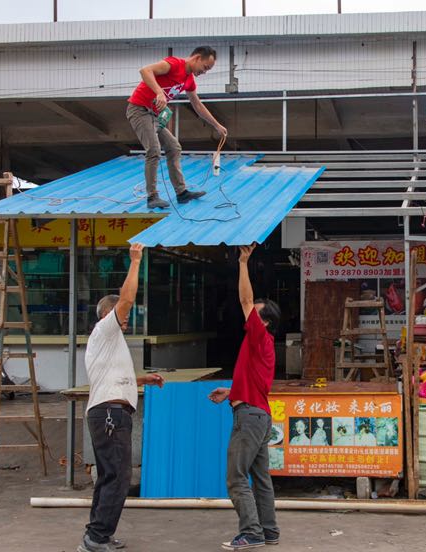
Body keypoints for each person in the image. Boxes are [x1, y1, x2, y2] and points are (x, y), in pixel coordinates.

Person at [77, 243, 165, 552]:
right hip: (110, 414)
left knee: (109, 476)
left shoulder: (108, 342)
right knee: (118, 477)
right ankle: (97, 537)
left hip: (107, 413)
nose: (125, 317)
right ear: (107, 314)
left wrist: (142, 379)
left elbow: (110, 376)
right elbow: (126, 299)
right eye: (121, 314)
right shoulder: (105, 330)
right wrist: (136, 261)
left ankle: (97, 534)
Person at [209, 243, 282, 550]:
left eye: (255, 314)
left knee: (236, 477)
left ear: (264, 322)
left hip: (250, 418)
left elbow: (245, 299)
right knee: (261, 479)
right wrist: (232, 391)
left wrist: (242, 262)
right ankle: (269, 531)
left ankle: (251, 533)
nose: (249, 315)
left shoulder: (259, 336)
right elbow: (255, 384)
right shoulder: (262, 347)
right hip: (259, 415)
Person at [127, 46, 228, 209]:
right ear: (197, 58)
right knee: (153, 150)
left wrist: (216, 125)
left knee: (174, 147)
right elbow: (145, 70)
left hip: (154, 116)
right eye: (205, 67)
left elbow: (197, 105)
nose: (204, 72)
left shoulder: (189, 80)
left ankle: (181, 193)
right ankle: (152, 196)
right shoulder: (174, 64)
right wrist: (159, 92)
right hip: (139, 110)